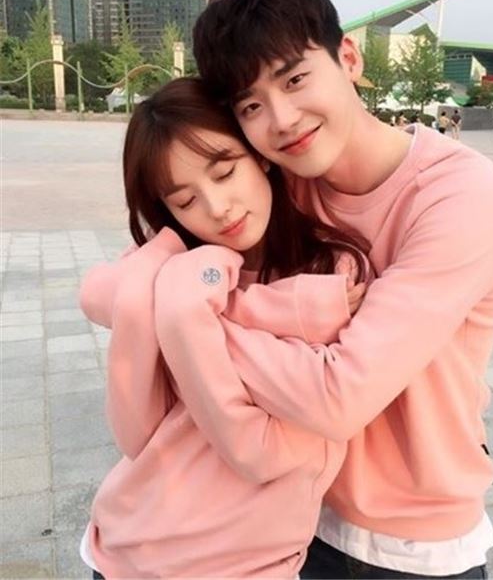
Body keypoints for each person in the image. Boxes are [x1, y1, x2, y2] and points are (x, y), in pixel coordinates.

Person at [193, 0, 493, 580]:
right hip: (291, 518)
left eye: (294, 79)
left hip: (414, 545)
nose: (282, 118)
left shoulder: (458, 193)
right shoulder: (271, 192)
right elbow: (140, 280)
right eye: (251, 105)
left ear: (348, 58)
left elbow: (340, 398)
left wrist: (192, 324)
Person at [78, 78, 372, 578]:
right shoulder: (174, 268)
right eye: (185, 201)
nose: (218, 209)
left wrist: (195, 310)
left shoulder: (331, 272)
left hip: (248, 563)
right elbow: (98, 296)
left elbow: (314, 408)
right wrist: (191, 296)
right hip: (125, 548)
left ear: (258, 155)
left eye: (225, 171)